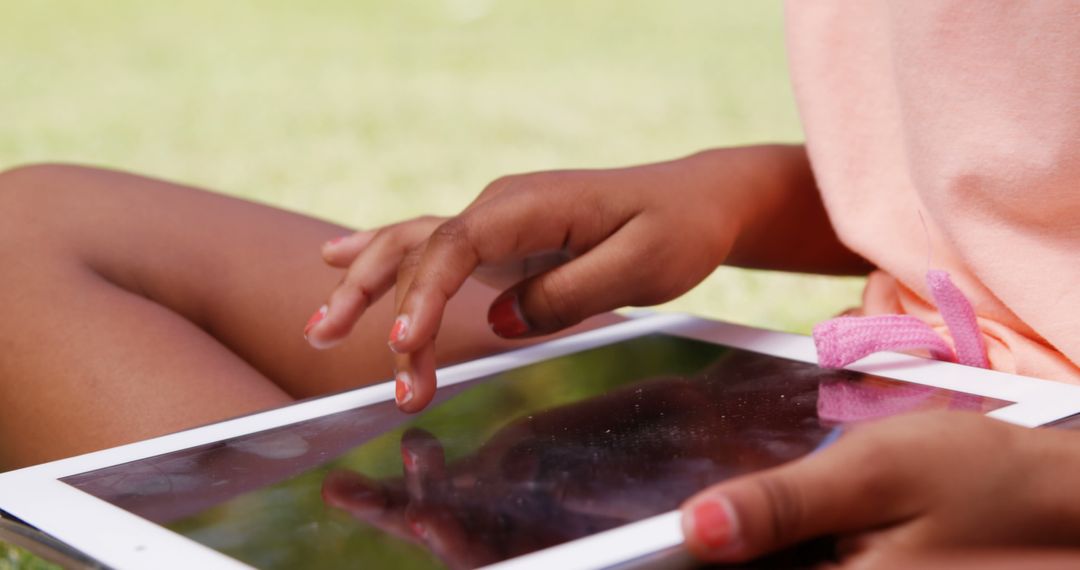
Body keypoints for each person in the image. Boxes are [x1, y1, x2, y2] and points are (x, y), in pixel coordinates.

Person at [0, 0, 1077, 567]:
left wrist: (1049, 501)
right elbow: (999, 169)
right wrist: (722, 200)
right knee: (32, 232)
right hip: (886, 397)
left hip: (1033, 500)